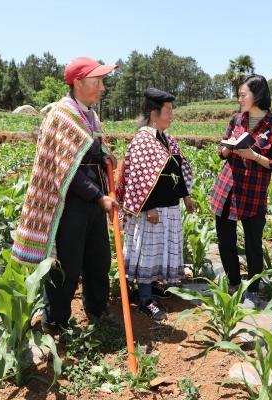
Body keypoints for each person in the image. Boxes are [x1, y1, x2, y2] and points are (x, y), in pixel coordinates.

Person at [11, 56, 120, 333]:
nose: (103, 87)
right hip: (69, 203)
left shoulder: (90, 115)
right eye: (97, 81)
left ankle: (97, 307)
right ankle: (55, 321)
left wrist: (106, 156)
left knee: (98, 259)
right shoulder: (62, 115)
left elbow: (92, 150)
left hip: (94, 199)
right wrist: (100, 196)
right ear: (79, 83)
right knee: (67, 266)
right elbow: (66, 171)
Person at [116, 88, 195, 321]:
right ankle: (145, 299)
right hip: (153, 210)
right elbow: (138, 177)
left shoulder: (167, 139)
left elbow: (177, 169)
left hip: (169, 207)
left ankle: (154, 285)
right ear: (154, 113)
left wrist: (186, 195)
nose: (171, 115)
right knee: (148, 252)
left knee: (161, 249)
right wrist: (148, 206)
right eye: (168, 111)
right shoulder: (143, 140)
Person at [211, 74, 272, 309]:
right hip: (227, 189)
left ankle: (253, 289)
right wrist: (227, 148)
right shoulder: (236, 119)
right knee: (226, 241)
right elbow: (222, 148)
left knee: (253, 244)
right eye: (239, 95)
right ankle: (234, 283)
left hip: (253, 193)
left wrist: (254, 156)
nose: (240, 99)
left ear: (258, 95)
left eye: (243, 94)